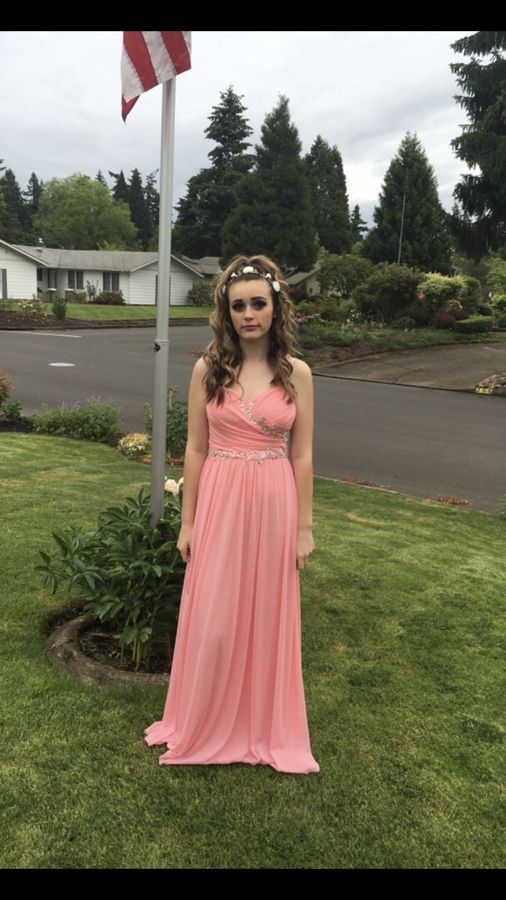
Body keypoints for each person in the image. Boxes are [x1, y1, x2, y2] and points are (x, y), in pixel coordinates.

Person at [144, 254, 319, 774]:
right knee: (215, 618)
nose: (248, 314)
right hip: (220, 498)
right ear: (226, 312)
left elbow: (303, 455)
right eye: (238, 305)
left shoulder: (298, 374)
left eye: (257, 304)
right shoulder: (208, 369)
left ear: (275, 308)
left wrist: (304, 528)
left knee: (267, 614)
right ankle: (204, 717)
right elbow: (195, 449)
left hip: (273, 500)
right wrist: (188, 521)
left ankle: (260, 725)